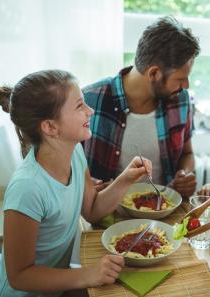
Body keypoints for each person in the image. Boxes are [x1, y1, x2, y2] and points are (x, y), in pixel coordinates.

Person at [0, 70, 152, 297]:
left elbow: (92, 210)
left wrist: (126, 179)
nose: (90, 110)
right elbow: (19, 276)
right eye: (79, 106)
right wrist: (89, 274)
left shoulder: (75, 152)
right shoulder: (27, 188)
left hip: (54, 293)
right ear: (50, 127)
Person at [82, 16, 200, 198]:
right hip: (105, 218)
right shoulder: (90, 100)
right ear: (154, 73)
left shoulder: (181, 100)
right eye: (180, 79)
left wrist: (186, 174)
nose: (186, 86)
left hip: (164, 213)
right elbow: (66, 168)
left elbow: (188, 153)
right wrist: (88, 184)